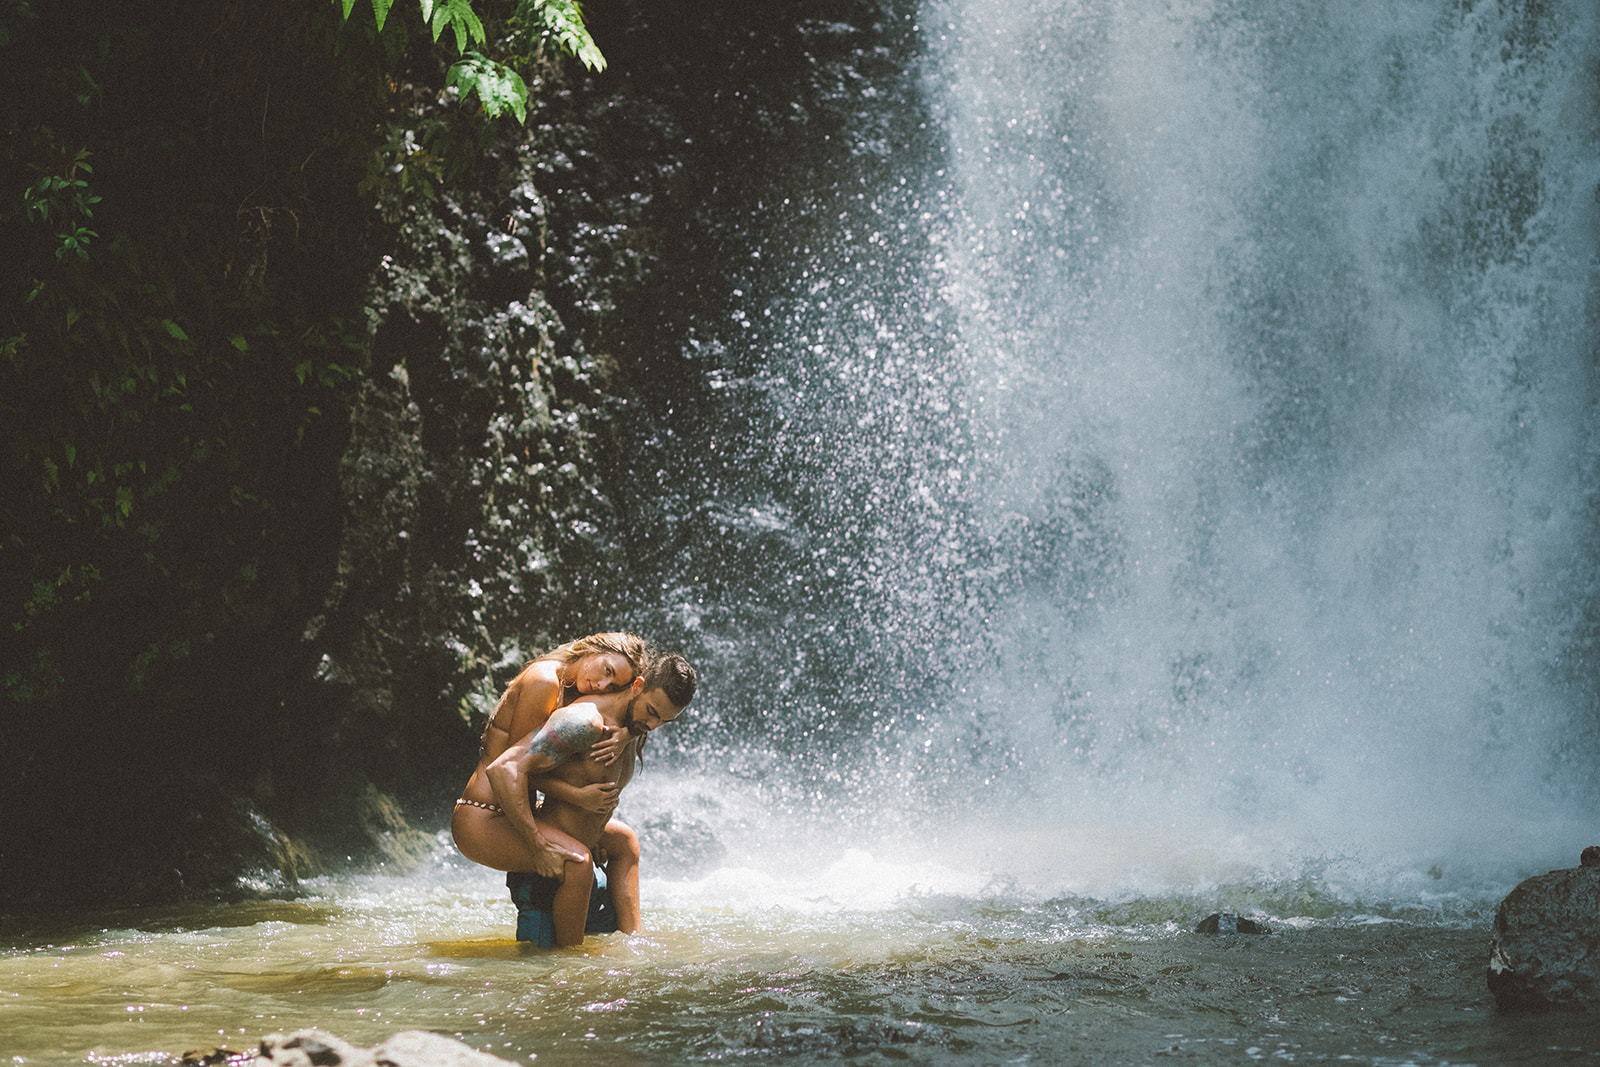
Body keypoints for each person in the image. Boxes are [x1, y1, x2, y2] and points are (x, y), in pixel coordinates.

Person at [452, 649, 697, 946]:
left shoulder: (631, 728)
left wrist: (629, 734)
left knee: (625, 841)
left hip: (576, 838)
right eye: (653, 713)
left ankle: (634, 945)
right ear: (637, 685)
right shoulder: (583, 721)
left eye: (664, 721)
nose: (654, 725)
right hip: (542, 850)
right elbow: (506, 768)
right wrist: (539, 844)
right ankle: (573, 963)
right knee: (578, 863)